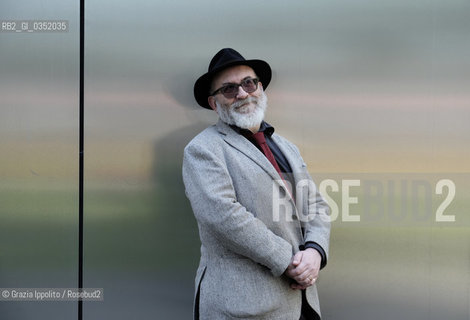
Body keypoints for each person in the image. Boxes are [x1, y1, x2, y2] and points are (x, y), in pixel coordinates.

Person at [183, 48, 331, 320]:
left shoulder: (287, 147)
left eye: (248, 83)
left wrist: (315, 252)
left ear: (260, 89)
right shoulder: (203, 149)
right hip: (243, 308)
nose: (242, 93)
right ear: (214, 103)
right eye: (228, 89)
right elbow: (225, 217)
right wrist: (289, 261)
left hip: (302, 302)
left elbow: (316, 206)